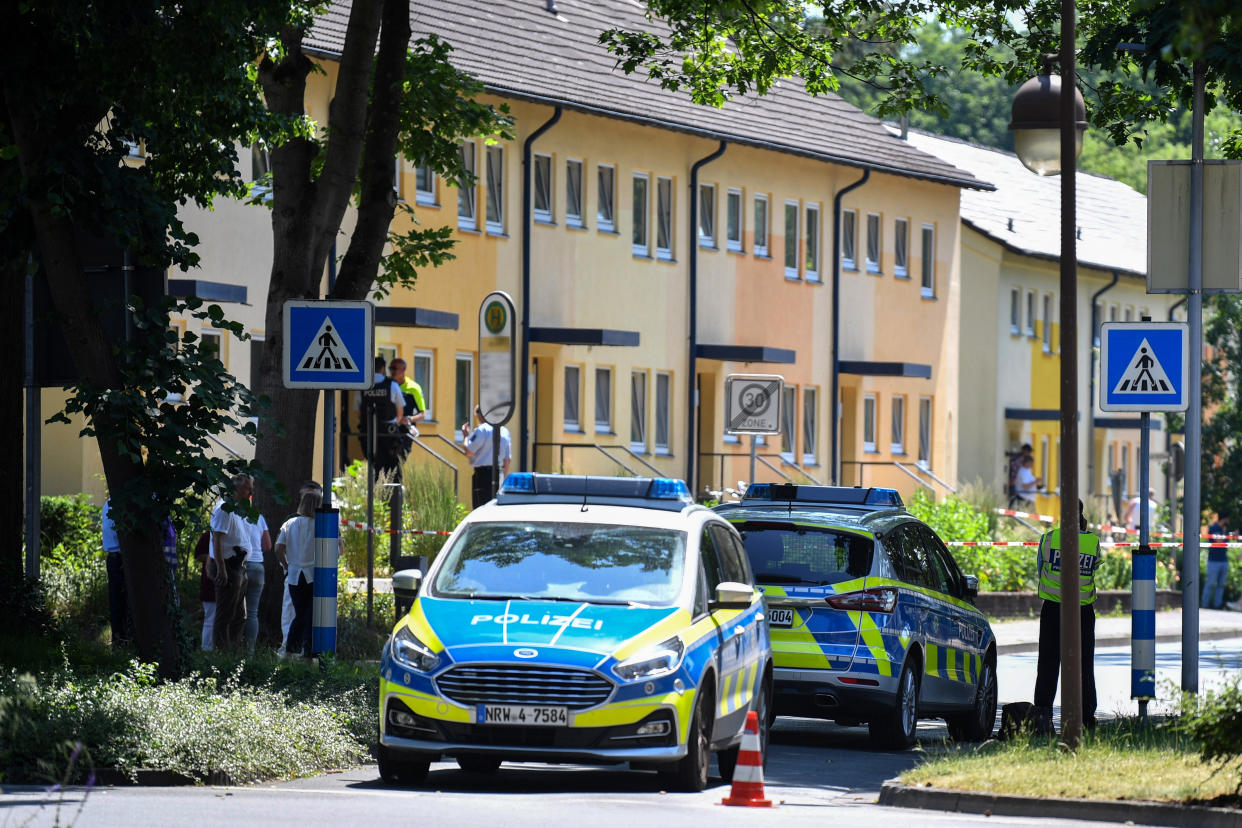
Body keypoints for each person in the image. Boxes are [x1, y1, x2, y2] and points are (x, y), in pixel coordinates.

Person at [1033, 499, 1102, 730]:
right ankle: (1086, 720)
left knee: (1048, 665)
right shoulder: (1093, 542)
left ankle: (1043, 718)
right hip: (1082, 610)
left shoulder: (1049, 539)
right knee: (1084, 666)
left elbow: (1040, 567)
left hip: (1052, 609)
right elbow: (1094, 568)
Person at [274, 488, 324, 658]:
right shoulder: (320, 525)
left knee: (298, 615)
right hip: (313, 575)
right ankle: (308, 654)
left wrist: (287, 565)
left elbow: (278, 549)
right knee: (311, 617)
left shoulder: (290, 524)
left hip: (294, 576)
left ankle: (289, 652)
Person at [210, 473, 253, 650]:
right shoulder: (224, 508)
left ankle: (234, 652)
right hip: (228, 565)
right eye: (248, 487)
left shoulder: (239, 508)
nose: (251, 491)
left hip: (239, 566)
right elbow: (217, 539)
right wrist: (221, 568)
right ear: (237, 487)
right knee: (226, 613)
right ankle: (221, 656)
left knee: (240, 615)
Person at [358, 356, 407, 476]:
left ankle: (373, 490)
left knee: (373, 466)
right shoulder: (392, 385)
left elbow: (359, 412)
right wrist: (397, 421)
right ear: (383, 369)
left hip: (368, 433)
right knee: (392, 468)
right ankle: (393, 492)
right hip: (388, 434)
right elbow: (400, 411)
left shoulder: (362, 386)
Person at [462, 405, 511, 509]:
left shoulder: (482, 430)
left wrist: (466, 436)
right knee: (496, 508)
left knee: (480, 508)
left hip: (482, 475)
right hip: (499, 474)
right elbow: (507, 460)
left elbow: (469, 451)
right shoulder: (504, 431)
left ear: (481, 415)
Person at [243, 494, 272, 654]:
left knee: (234, 610)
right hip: (257, 566)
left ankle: (229, 650)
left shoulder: (232, 514)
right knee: (252, 613)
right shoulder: (258, 517)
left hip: (239, 565)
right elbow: (267, 545)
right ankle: (250, 652)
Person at [101, 499, 130, 647]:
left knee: (119, 600)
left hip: (116, 557)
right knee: (120, 601)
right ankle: (121, 639)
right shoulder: (115, 504)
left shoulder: (109, 504)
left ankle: (121, 638)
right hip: (119, 557)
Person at [389, 358, 425, 461]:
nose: (392, 371)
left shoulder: (414, 388)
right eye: (390, 368)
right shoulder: (388, 385)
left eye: (394, 368)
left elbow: (422, 414)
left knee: (398, 464)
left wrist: (409, 419)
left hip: (405, 433)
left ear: (403, 369)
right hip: (388, 431)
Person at [1203, 513, 1230, 610]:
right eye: (1228, 519)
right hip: (1213, 561)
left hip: (1224, 560)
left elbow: (1226, 542)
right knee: (1210, 584)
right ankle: (1205, 604)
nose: (1229, 522)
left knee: (1221, 585)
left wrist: (1223, 534)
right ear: (1224, 519)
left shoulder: (1225, 530)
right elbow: (1218, 541)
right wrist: (1223, 536)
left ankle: (1217, 605)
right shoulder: (1213, 528)